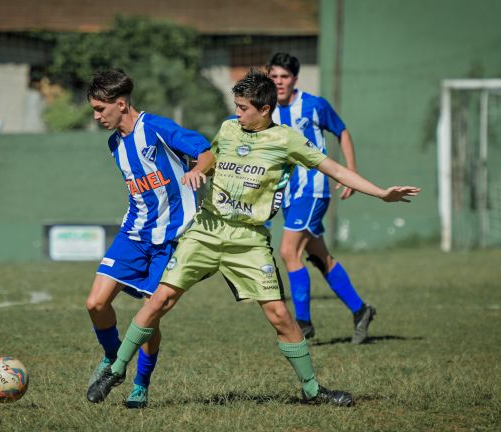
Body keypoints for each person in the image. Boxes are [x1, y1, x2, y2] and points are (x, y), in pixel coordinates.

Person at [90, 70, 420, 407]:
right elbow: (209, 158)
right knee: (160, 300)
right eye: (236, 106)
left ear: (265, 109)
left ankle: (312, 390)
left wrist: (380, 193)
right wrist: (197, 171)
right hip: (206, 230)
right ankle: (116, 370)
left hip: (248, 241)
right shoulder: (228, 129)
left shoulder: (287, 140)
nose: (237, 113)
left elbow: (333, 169)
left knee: (279, 315)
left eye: (243, 107)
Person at [84, 69, 213, 408]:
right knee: (96, 303)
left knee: (148, 315)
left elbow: (206, 151)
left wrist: (198, 170)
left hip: (172, 239)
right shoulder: (115, 144)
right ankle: (114, 361)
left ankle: (140, 384)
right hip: (134, 232)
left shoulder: (157, 128)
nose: (97, 116)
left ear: (121, 104)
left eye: (101, 109)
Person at [266, 52, 374, 343]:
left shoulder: (314, 105)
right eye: (274, 76)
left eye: (284, 76)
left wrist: (350, 173)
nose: (279, 82)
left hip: (312, 189)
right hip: (288, 193)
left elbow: (342, 132)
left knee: (289, 252)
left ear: (295, 79)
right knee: (319, 256)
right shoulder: (267, 110)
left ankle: (303, 322)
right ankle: (360, 309)